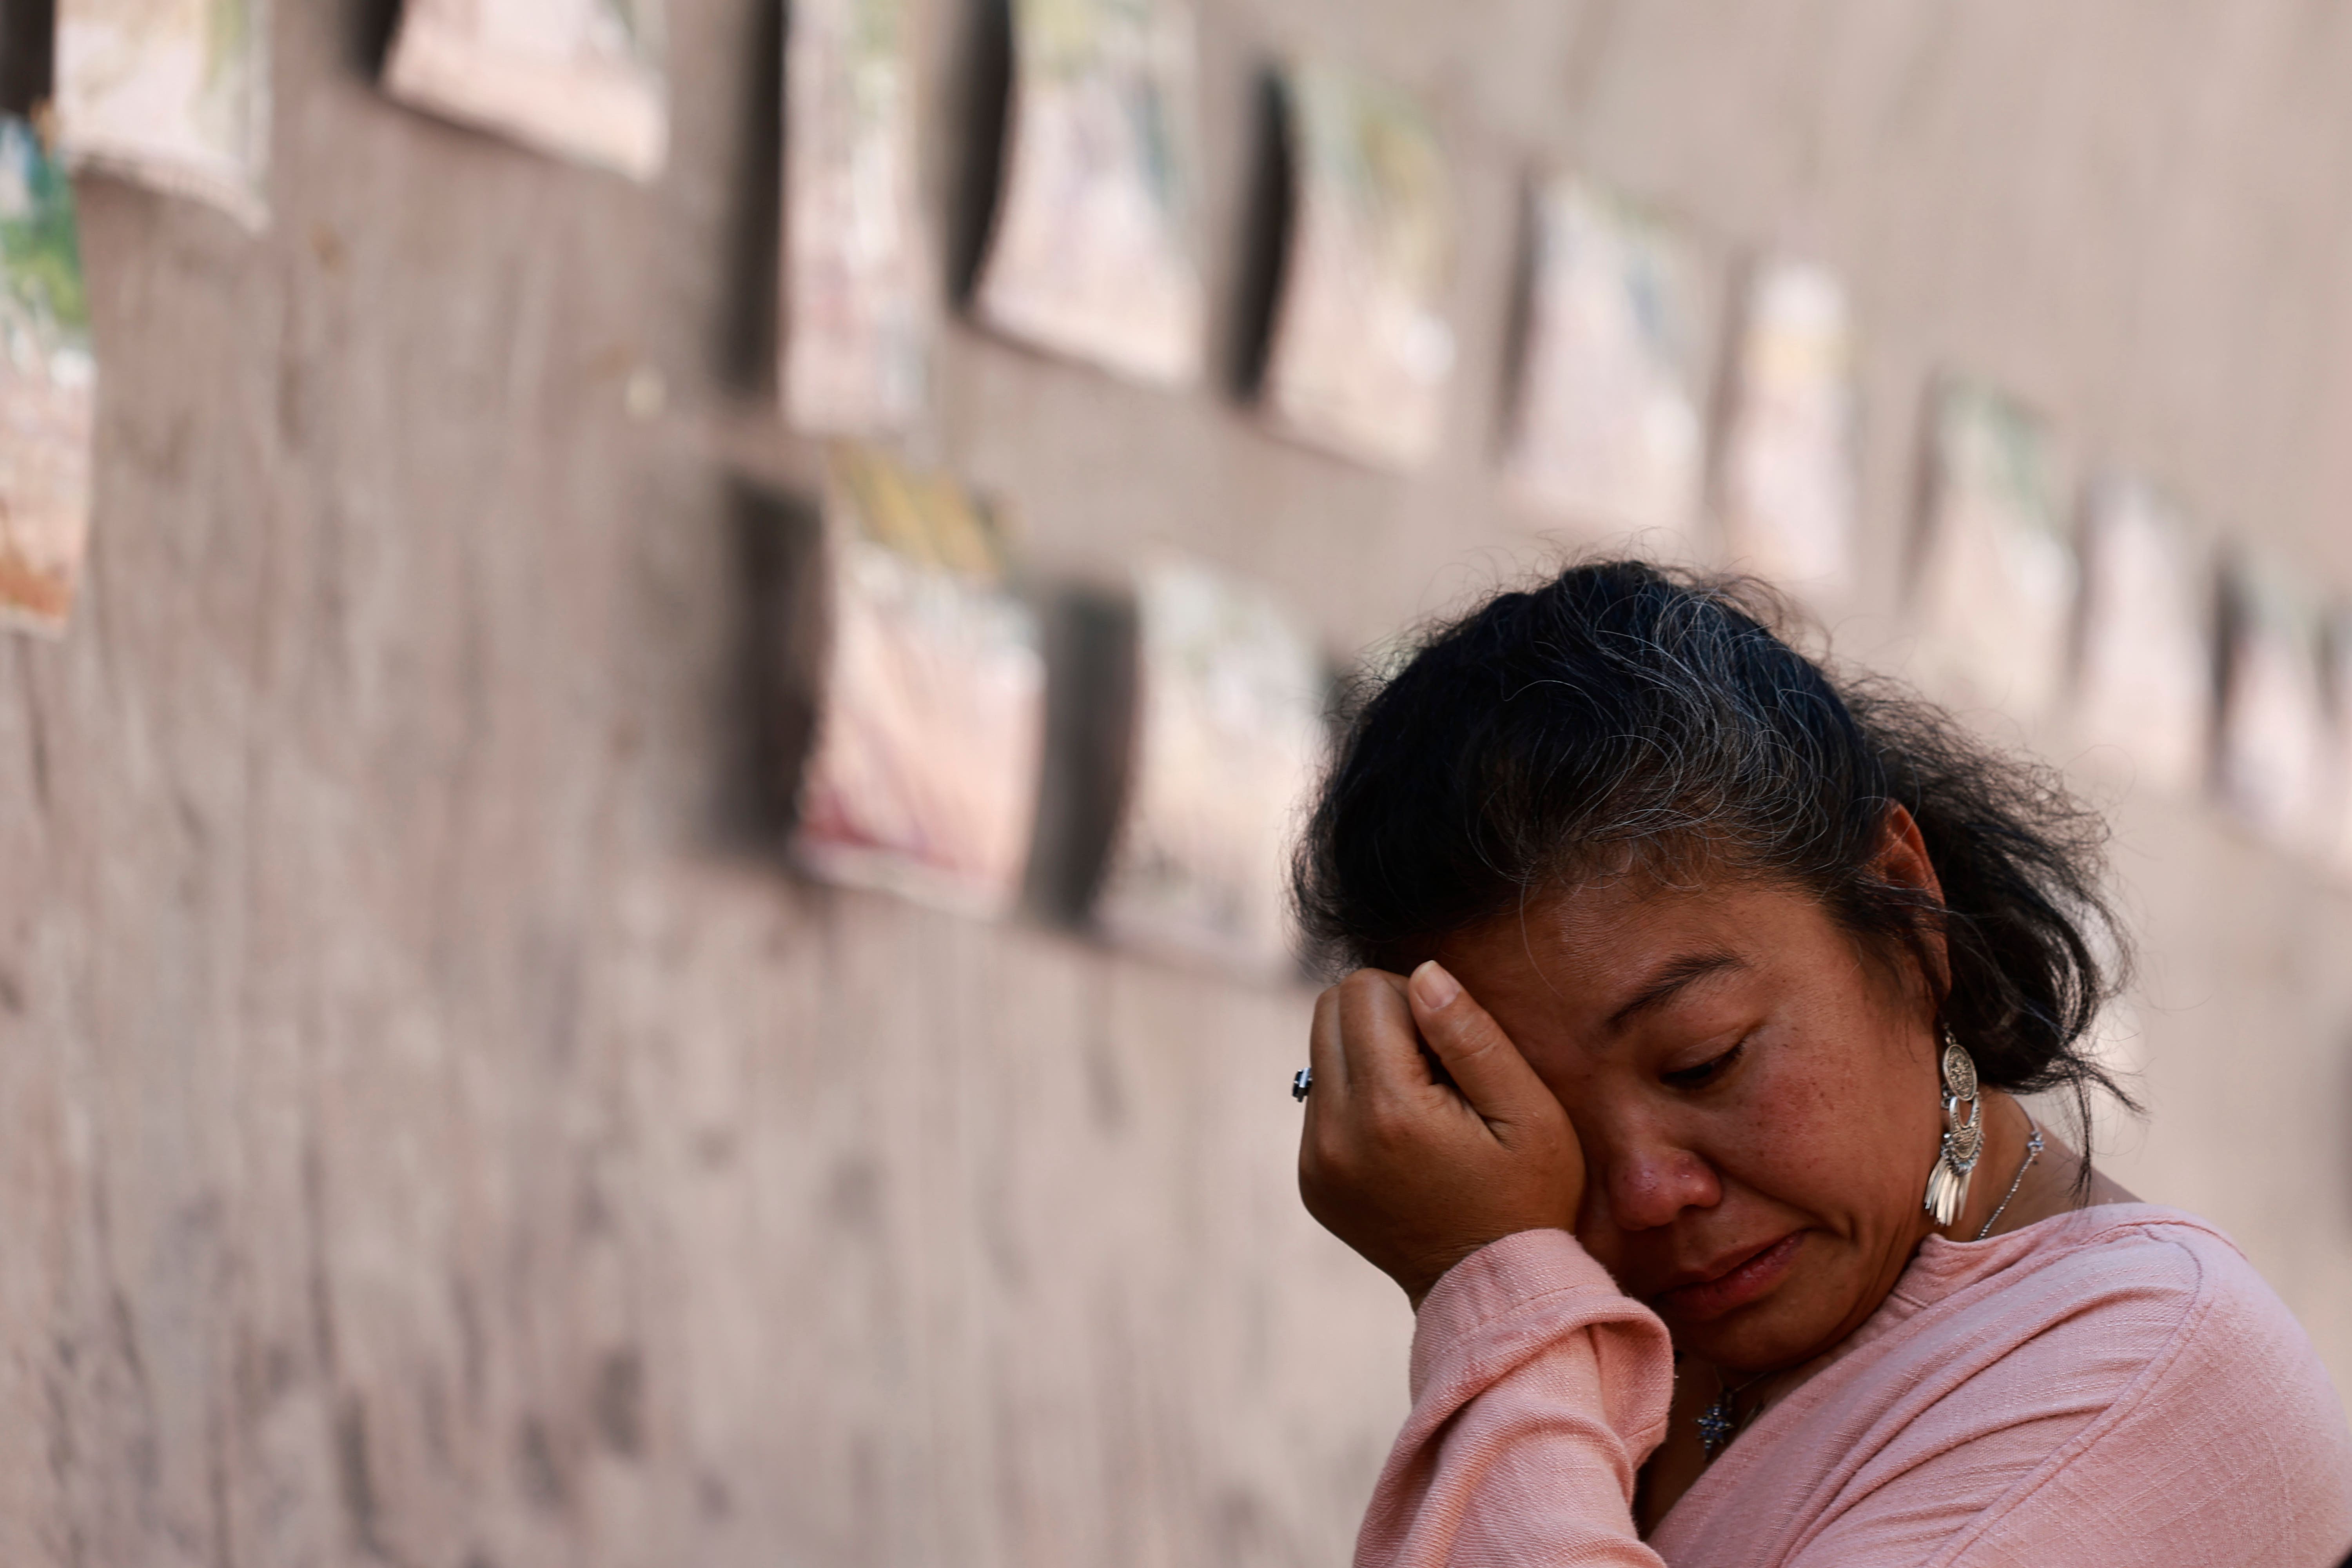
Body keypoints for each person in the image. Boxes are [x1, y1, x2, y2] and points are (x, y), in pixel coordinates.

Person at [1290, 560, 2352, 1566]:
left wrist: (1491, 1285)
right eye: (1542, 1126)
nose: (1650, 1194)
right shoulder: (1649, 1343)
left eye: (1703, 1063)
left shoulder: (2140, 1373)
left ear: (1903, 907)